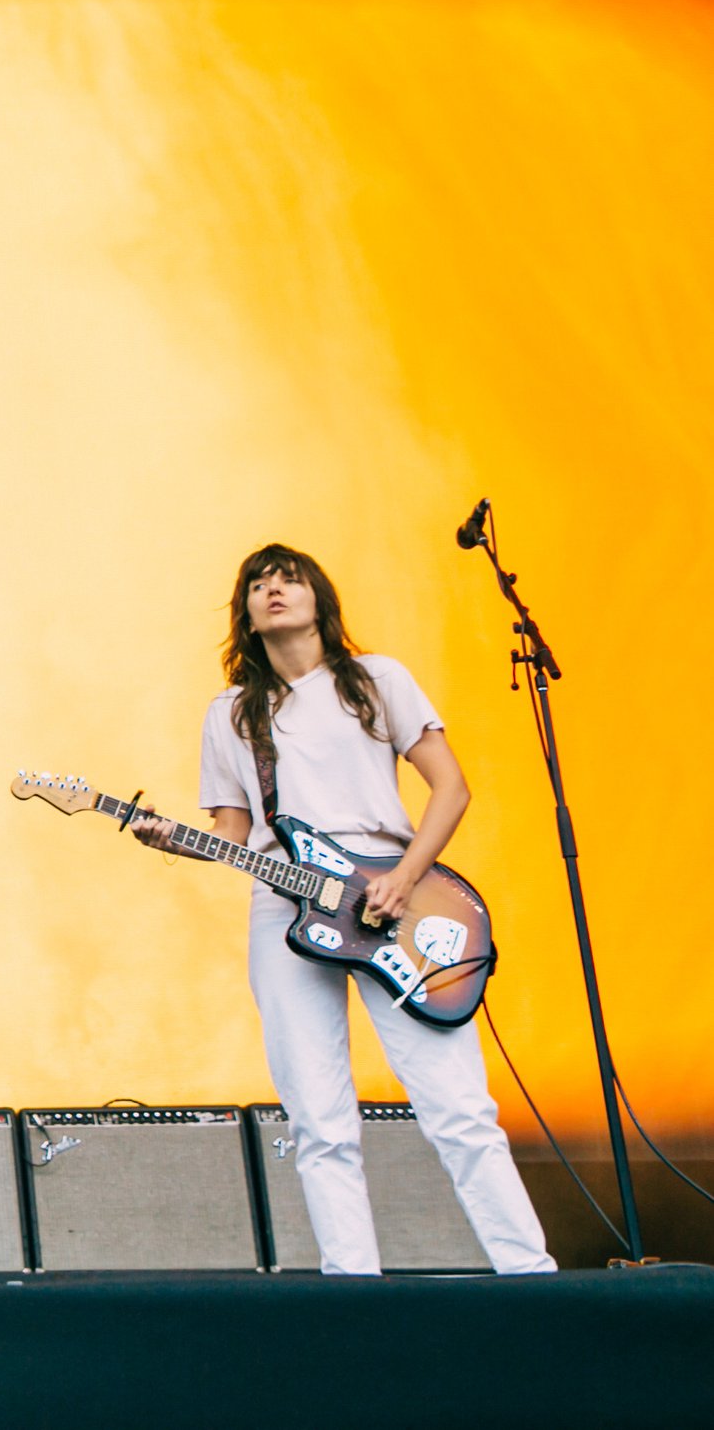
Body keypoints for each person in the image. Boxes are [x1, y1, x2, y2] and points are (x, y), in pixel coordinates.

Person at [135, 542, 552, 1276]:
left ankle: (529, 1272)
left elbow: (450, 787)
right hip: (285, 903)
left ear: (317, 599)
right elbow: (234, 834)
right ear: (246, 613)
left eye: (287, 579)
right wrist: (171, 839)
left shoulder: (376, 680)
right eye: (257, 584)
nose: (272, 590)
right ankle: (352, 1286)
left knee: (458, 1106)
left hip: (395, 894)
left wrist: (405, 877)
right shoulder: (233, 712)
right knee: (318, 1119)